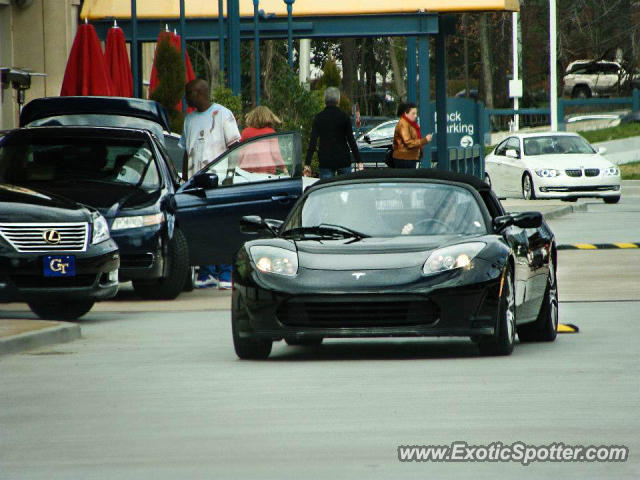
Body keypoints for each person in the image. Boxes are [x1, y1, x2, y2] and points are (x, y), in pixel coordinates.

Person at [179, 78, 241, 290]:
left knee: (221, 226)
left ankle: (225, 272)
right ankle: (206, 273)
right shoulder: (189, 120)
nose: (185, 98)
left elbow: (235, 150)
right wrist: (185, 180)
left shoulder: (223, 114)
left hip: (219, 182)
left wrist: (230, 177)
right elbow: (186, 151)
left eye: (188, 93)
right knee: (201, 227)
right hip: (196, 185)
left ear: (199, 93)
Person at [304, 87, 363, 179]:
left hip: (326, 160)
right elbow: (351, 140)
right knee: (345, 190)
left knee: (326, 190)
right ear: (338, 100)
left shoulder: (319, 118)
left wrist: (307, 163)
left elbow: (313, 142)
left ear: (325, 100)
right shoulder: (344, 117)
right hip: (343, 159)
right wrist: (359, 161)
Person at [239, 106, 288, 175]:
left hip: (247, 171)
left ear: (252, 117)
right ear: (269, 118)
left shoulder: (246, 132)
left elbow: (240, 154)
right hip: (266, 171)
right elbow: (275, 154)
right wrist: (284, 168)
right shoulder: (271, 133)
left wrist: (238, 167)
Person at [392, 102, 433, 169]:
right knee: (407, 178)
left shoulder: (410, 124)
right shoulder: (403, 124)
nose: (415, 115)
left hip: (408, 158)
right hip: (404, 159)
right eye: (413, 113)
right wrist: (425, 140)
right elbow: (408, 143)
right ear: (406, 113)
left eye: (416, 113)